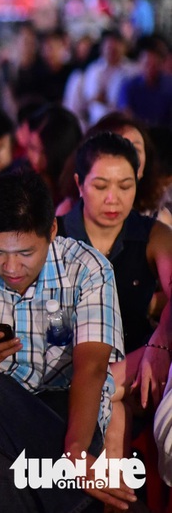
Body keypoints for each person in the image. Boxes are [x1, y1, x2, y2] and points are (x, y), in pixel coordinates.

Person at [0, 169, 132, 513]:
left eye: (25, 253)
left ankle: (77, 488)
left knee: (8, 469)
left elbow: (92, 367)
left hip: (64, 409)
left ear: (51, 231)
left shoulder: (86, 269)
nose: (11, 266)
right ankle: (101, 501)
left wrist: (77, 448)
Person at [57, 132, 172, 455]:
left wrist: (160, 342)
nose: (113, 199)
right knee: (114, 411)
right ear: (80, 184)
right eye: (101, 186)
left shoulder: (151, 234)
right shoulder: (56, 235)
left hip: (138, 371)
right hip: (67, 370)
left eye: (125, 187)